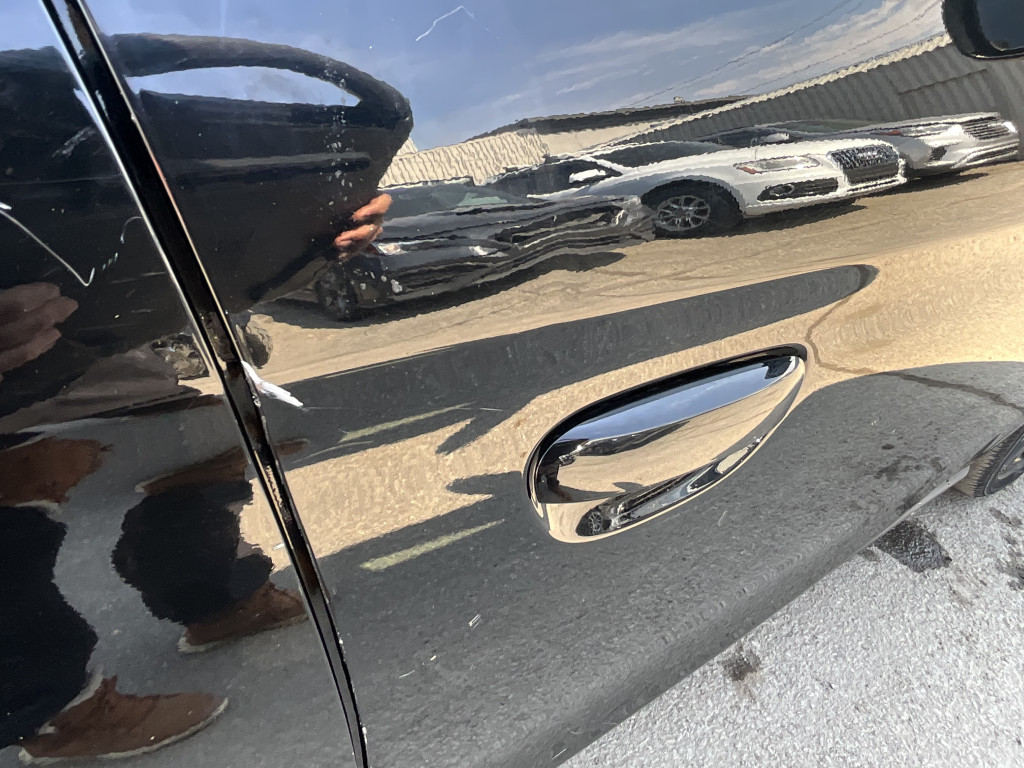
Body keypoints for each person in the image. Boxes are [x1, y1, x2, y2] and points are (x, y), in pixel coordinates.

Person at [0, 195, 391, 763]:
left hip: (91, 336)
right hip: (20, 362)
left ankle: (214, 598)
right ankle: (54, 710)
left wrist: (308, 233)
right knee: (28, 482)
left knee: (197, 440)